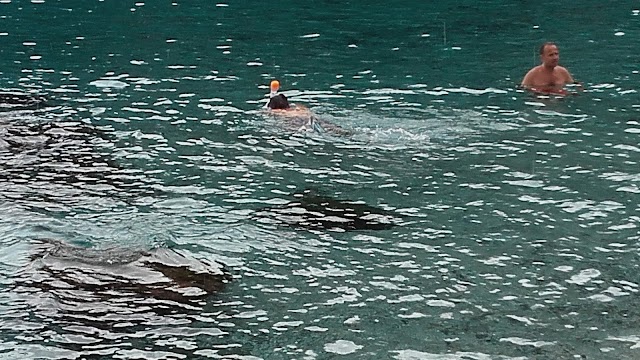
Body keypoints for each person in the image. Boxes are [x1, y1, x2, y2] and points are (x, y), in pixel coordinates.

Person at [264, 80, 349, 135]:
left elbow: (268, 111)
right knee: (331, 128)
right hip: (313, 117)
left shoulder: (280, 112)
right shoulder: (298, 108)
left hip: (298, 121)